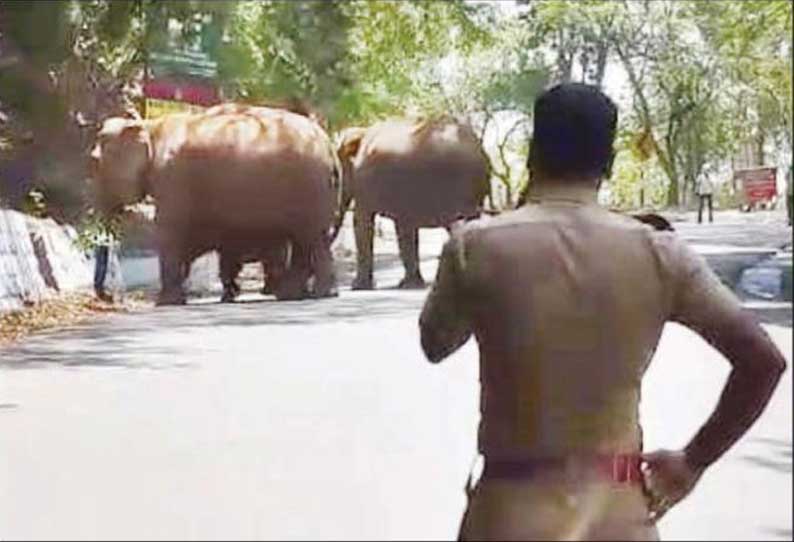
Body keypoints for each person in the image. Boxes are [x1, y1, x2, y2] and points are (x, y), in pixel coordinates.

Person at [419, 83, 786, 541]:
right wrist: (694, 461)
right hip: (618, 512)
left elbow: (436, 343)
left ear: (533, 153)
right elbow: (763, 361)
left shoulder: (474, 246)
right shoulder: (659, 252)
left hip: (506, 512)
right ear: (609, 163)